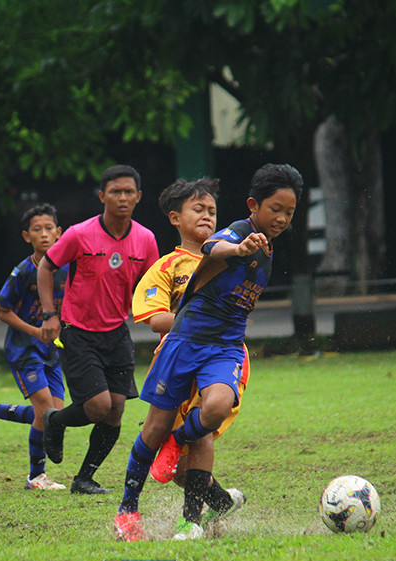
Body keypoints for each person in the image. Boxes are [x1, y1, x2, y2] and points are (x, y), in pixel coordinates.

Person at [114, 163, 304, 541]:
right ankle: (129, 511)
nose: (282, 218)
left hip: (226, 349)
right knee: (154, 428)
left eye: (290, 212)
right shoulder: (241, 232)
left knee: (211, 412)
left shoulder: (267, 246)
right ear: (254, 205)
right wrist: (238, 246)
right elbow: (214, 247)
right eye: (275, 210)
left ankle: (188, 510)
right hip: (184, 343)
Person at [36, 165, 159, 495]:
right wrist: (50, 314)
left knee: (116, 410)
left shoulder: (146, 239)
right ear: (102, 196)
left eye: (128, 192)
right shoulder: (79, 234)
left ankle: (84, 478)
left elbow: (153, 285)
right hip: (79, 332)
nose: (122, 198)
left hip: (118, 333)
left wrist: (160, 316)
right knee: (98, 407)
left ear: (138, 197)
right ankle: (55, 420)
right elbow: (46, 266)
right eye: (115, 192)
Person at [130, 177, 249, 516]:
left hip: (222, 357)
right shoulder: (167, 267)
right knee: (181, 470)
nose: (207, 216)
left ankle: (190, 522)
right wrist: (196, 322)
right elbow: (154, 319)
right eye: (198, 209)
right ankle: (223, 502)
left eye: (212, 210)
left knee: (201, 434)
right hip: (178, 358)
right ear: (174, 218)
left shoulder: (232, 260)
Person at [0, 204, 69, 490]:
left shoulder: (66, 268)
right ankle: (35, 476)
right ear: (27, 236)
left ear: (59, 233)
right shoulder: (23, 272)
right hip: (24, 349)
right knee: (44, 412)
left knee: (54, 417)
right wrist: (36, 331)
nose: (44, 234)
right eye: (37, 230)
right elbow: (2, 310)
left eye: (49, 228)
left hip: (52, 350)